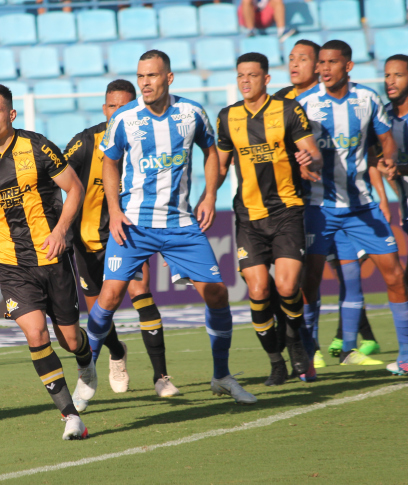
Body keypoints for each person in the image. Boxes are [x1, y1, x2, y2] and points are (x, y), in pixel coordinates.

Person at [85, 50, 257, 408]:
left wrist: (210, 195)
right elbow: (109, 163)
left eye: (152, 75)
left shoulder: (191, 113)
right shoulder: (125, 119)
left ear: (169, 77)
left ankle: (221, 376)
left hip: (180, 223)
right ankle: (87, 375)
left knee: (217, 294)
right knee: (111, 297)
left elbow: (211, 151)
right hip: (135, 223)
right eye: (140, 76)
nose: (145, 83)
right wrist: (114, 210)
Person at [0, 83, 90, 440]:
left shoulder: (37, 147)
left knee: (68, 338)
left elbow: (75, 188)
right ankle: (70, 416)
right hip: (10, 263)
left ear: (11, 114)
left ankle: (85, 359)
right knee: (35, 333)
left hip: (51, 257)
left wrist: (62, 230)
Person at [63, 79, 179, 404]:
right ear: (105, 109)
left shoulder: (149, 139)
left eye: (126, 105)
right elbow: (57, 173)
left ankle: (161, 376)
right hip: (86, 241)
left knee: (140, 292)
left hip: (128, 233)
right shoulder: (86, 141)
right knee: (101, 312)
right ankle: (117, 352)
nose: (119, 112)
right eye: (113, 106)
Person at [297, 40, 408, 375]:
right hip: (319, 206)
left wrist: (388, 157)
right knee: (311, 279)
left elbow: (385, 137)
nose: (324, 69)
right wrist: (301, 162)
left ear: (348, 66)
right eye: (321, 63)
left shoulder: (367, 99)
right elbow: (291, 147)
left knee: (396, 275)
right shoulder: (305, 104)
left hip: (362, 206)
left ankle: (405, 355)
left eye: (332, 62)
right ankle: (308, 354)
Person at [216, 52, 321, 386]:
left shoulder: (288, 110)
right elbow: (219, 166)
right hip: (248, 217)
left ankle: (293, 341)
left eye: (252, 75)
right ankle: (276, 361)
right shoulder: (227, 117)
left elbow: (313, 153)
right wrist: (204, 199)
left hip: (287, 210)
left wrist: (311, 159)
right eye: (240, 76)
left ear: (266, 79)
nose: (245, 82)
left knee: (288, 286)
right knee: (259, 291)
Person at [383, 54, 408, 376]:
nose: (390, 81)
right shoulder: (385, 117)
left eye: (398, 75)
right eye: (387, 75)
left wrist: (398, 168)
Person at [324, 231, 381, 362]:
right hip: (330, 224)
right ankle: (368, 339)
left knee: (349, 282)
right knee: (345, 284)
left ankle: (343, 337)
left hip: (352, 226)